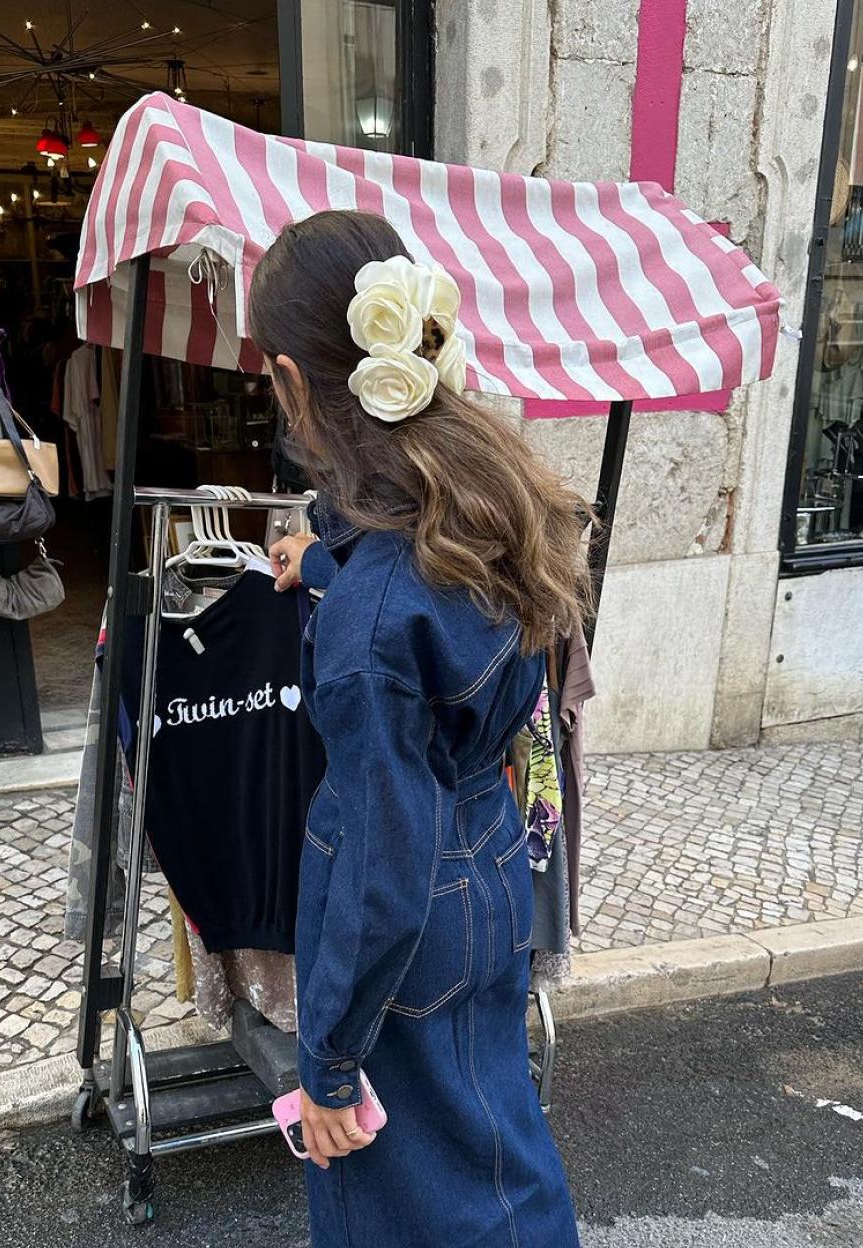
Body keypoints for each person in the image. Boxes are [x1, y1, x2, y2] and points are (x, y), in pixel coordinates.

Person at [252, 209, 594, 1247]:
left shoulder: (378, 611)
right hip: (488, 858)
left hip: (411, 904)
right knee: (491, 1138)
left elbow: (380, 864)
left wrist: (327, 1067)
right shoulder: (484, 501)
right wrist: (316, 563)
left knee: (396, 1202)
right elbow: (418, 604)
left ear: (297, 383)